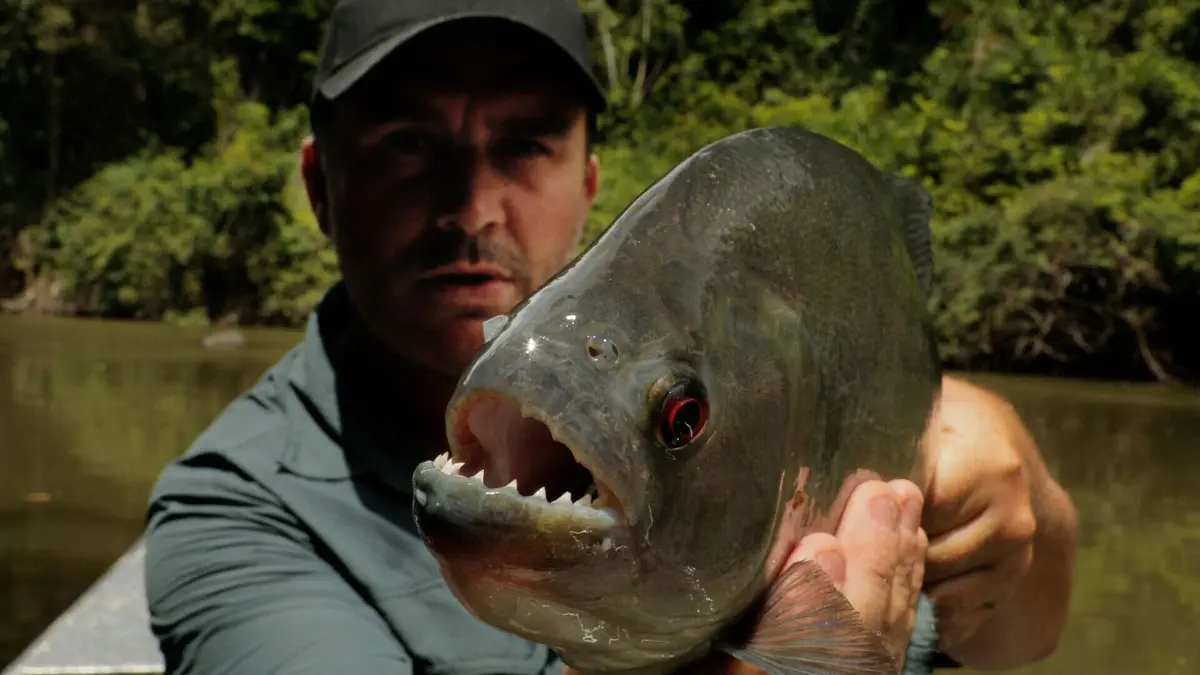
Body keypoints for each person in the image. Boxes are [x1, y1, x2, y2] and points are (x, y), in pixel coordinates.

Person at [142, 1, 1078, 674]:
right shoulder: (235, 513)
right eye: (407, 144)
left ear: (591, 184)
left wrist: (1022, 489)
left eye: (525, 145)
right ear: (318, 185)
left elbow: (1016, 640)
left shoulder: (749, 398)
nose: (472, 209)